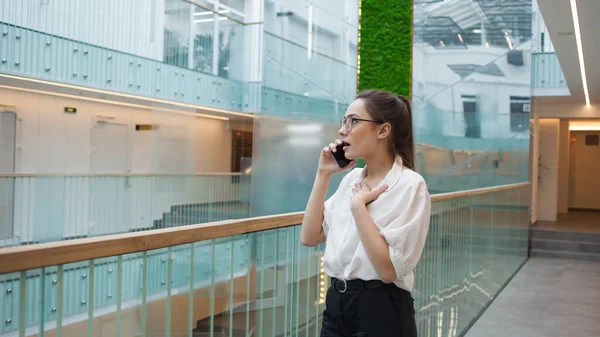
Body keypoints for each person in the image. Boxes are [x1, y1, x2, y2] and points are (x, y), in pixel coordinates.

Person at [301, 89, 431, 337]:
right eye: (344, 121)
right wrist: (323, 174)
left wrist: (358, 207)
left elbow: (387, 270)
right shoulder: (351, 180)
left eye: (354, 121)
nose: (343, 130)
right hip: (336, 304)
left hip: (380, 308)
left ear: (383, 131)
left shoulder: (410, 185)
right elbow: (309, 237)